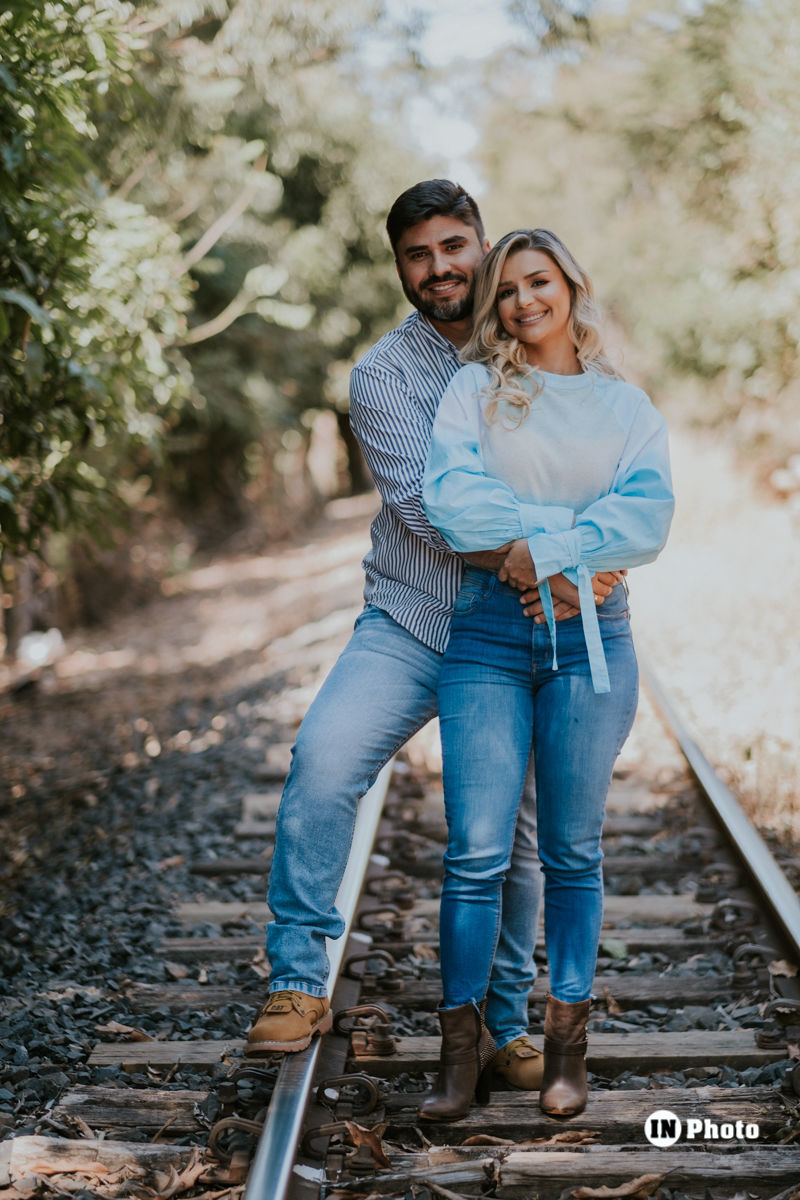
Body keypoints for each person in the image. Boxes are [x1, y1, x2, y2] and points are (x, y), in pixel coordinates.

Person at [246, 182, 619, 1084]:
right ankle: (298, 979)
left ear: (484, 246)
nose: (442, 267)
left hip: (524, 629)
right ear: (401, 268)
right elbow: (420, 508)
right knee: (324, 762)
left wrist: (587, 553)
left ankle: (501, 1026)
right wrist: (544, 558)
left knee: (517, 838)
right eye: (420, 254)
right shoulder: (383, 376)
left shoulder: (537, 350)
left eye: (456, 245)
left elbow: (598, 472)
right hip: (414, 618)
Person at [419, 228, 674, 1120]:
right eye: (508, 290)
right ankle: (462, 1055)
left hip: (594, 636)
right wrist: (562, 546)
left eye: (539, 282)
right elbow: (454, 501)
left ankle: (567, 1048)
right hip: (487, 636)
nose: (525, 301)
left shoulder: (626, 408)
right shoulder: (472, 391)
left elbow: (646, 519)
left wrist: (551, 554)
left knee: (571, 852)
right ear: (494, 308)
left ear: (569, 285)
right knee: (477, 852)